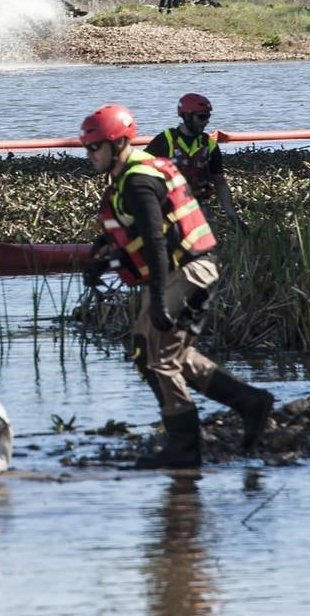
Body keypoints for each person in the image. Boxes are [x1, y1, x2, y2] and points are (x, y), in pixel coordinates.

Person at [80, 103, 273, 468]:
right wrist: (98, 260)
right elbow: (129, 230)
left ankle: (184, 447)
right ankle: (250, 403)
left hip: (186, 272)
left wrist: (156, 300)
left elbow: (154, 239)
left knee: (156, 358)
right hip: (178, 271)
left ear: (118, 144)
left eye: (94, 147)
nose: (89, 154)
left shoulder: (137, 180)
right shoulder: (128, 173)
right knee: (165, 354)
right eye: (86, 147)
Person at [145, 93, 246, 233]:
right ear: (187, 116)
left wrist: (234, 219)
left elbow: (220, 183)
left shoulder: (209, 145)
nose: (206, 122)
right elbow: (141, 174)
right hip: (167, 210)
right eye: (202, 117)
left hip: (198, 208)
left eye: (208, 117)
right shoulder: (165, 141)